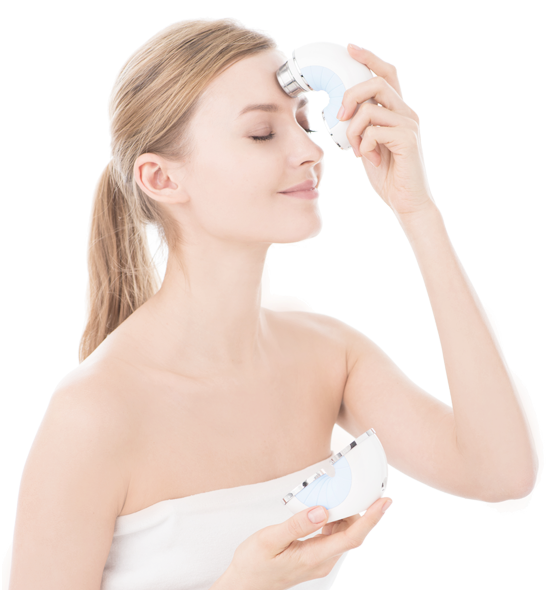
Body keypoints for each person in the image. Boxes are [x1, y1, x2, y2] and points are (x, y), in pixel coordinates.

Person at [9, 18, 537, 590]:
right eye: (263, 133)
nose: (311, 150)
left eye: (304, 122)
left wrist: (417, 210)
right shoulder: (93, 415)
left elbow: (499, 473)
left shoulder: (329, 357)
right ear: (160, 178)